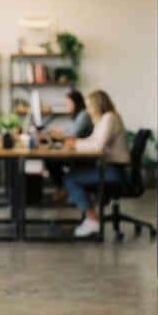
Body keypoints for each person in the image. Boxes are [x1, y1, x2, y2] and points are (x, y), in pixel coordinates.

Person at [62, 89, 131, 238]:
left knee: (70, 178)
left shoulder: (109, 119)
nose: (87, 110)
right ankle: (89, 216)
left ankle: (92, 220)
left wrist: (75, 145)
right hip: (110, 168)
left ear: (98, 105)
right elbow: (93, 141)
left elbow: (98, 147)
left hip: (114, 171)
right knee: (74, 174)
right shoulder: (104, 119)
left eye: (89, 106)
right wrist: (76, 143)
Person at [45, 90, 93, 201]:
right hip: (76, 150)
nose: (67, 106)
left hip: (82, 155)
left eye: (69, 103)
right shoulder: (79, 116)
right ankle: (64, 188)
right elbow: (71, 131)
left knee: (51, 160)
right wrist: (60, 133)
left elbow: (73, 134)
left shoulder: (83, 115)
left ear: (76, 103)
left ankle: (64, 189)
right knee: (50, 159)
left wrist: (58, 135)